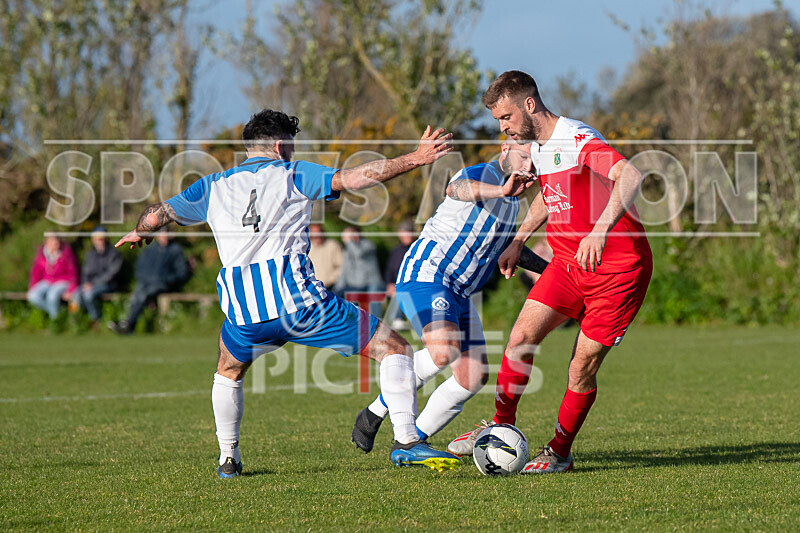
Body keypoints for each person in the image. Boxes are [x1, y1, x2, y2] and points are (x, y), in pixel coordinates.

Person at [115, 109, 459, 477]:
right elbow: (357, 178)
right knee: (395, 349)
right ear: (280, 146)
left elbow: (157, 214)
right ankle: (406, 440)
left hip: (244, 313)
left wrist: (140, 231)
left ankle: (227, 458)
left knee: (228, 371)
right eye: (291, 146)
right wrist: (415, 158)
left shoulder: (212, 185)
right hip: (301, 305)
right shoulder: (294, 173)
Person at [448, 71, 652, 473]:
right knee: (521, 337)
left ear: (528, 105)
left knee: (581, 366)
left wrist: (598, 230)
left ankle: (559, 452)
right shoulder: (538, 146)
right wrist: (520, 239)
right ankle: (500, 428)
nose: (503, 128)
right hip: (568, 263)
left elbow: (630, 174)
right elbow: (550, 195)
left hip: (618, 271)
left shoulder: (576, 138)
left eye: (505, 118)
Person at [352, 141, 550, 454]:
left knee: (473, 376)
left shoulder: (512, 206)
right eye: (523, 156)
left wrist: (552, 272)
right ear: (505, 147)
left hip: (458, 291)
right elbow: (456, 188)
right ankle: (390, 422)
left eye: (533, 161)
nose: (527, 167)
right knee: (443, 352)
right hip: (428, 274)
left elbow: (509, 249)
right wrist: (501, 190)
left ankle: (410, 437)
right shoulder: (486, 173)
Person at [108, 230, 188, 334]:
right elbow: (139, 267)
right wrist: (143, 279)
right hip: (145, 283)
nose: (164, 236)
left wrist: (167, 279)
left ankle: (128, 325)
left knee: (142, 294)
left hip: (164, 284)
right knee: (137, 294)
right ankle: (127, 324)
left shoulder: (175, 250)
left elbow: (181, 273)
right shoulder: (150, 249)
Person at [73, 226, 122, 326]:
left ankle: (96, 320)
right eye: (96, 239)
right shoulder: (90, 254)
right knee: (75, 295)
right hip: (91, 285)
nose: (99, 241)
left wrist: (93, 284)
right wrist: (86, 283)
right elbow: (85, 273)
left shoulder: (114, 254)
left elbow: (111, 274)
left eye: (101, 238)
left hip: (108, 284)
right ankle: (77, 320)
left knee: (88, 295)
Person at [27, 235, 79, 319]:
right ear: (46, 243)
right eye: (51, 242)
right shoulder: (41, 255)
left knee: (52, 295)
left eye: (56, 243)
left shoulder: (66, 254)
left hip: (63, 281)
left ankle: (55, 319)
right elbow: (35, 273)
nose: (54, 245)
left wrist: (71, 289)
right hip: (47, 281)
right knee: (32, 296)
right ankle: (58, 312)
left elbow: (73, 273)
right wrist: (32, 286)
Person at [334, 226, 383, 295]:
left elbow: (358, 254)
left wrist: (349, 242)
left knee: (372, 302)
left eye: (348, 236)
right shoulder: (346, 250)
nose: (345, 239)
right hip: (355, 285)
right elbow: (345, 269)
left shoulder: (368, 245)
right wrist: (338, 288)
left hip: (371, 283)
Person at [307, 223, 342, 288]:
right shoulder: (308, 247)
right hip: (313, 287)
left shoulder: (333, 245)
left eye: (319, 232)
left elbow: (341, 266)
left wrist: (332, 279)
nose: (317, 236)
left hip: (332, 286)